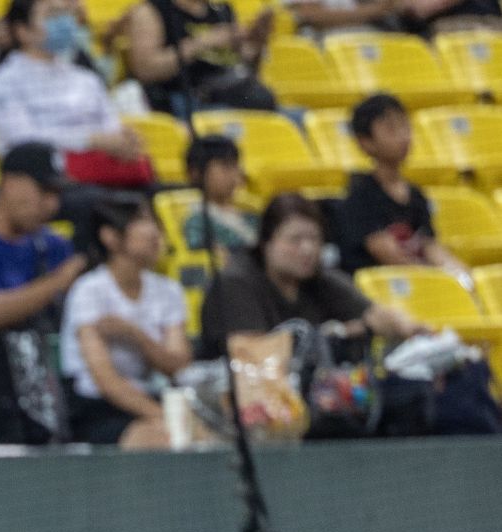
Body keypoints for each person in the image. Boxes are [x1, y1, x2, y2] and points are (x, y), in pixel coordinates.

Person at [0, 141, 84, 446]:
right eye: (43, 191)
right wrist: (58, 281)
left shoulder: (53, 245)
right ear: (10, 184)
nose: (51, 205)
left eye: (56, 194)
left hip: (53, 386)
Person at [199, 193, 423, 360]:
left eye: (314, 239)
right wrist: (340, 333)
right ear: (266, 242)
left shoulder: (321, 279)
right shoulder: (235, 281)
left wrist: (410, 328)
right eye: (295, 240)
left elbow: (378, 315)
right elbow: (252, 353)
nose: (307, 249)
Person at [0, 0, 152, 191]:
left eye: (65, 14)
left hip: (103, 173)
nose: (63, 21)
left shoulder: (86, 79)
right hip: (45, 183)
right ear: (22, 31)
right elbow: (22, 143)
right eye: (53, 15)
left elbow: (110, 127)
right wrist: (90, 140)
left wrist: (123, 141)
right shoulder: (4, 82)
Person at [60, 196, 189, 449]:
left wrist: (135, 335)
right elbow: (105, 381)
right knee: (163, 438)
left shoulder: (168, 290)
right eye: (141, 222)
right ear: (110, 236)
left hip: (150, 395)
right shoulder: (89, 291)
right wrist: (165, 418)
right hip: (96, 407)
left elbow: (178, 364)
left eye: (154, 222)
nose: (155, 232)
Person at [336, 93, 466, 279]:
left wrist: (461, 277)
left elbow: (430, 245)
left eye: (405, 126)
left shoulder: (416, 195)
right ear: (365, 142)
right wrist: (435, 281)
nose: (404, 136)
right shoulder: (360, 195)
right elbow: (390, 256)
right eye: (391, 129)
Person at [122, 0, 275, 116]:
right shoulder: (151, 10)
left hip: (233, 93)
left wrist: (257, 43)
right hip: (184, 99)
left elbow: (241, 62)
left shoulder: (221, 10)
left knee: (282, 116)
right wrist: (202, 42)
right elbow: (145, 70)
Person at [183, 132, 257, 257]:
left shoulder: (251, 216)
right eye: (226, 167)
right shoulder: (197, 222)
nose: (234, 174)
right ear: (196, 173)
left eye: (236, 166)